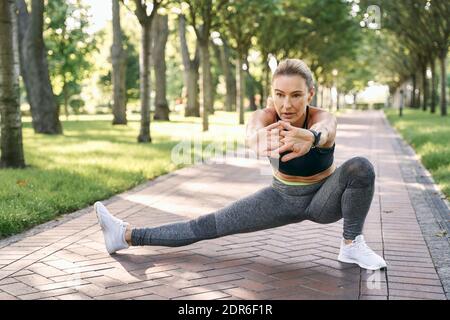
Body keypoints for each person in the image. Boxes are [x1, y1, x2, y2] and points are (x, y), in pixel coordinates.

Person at [94, 59, 387, 271]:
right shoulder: (266, 116)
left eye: (296, 95)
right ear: (272, 94)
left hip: (324, 198)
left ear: (310, 93)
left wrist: (311, 137)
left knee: (360, 166)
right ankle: (126, 234)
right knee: (204, 225)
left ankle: (351, 245)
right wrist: (256, 138)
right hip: (280, 198)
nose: (287, 104)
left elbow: (328, 131)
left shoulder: (320, 117)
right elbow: (252, 132)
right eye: (280, 94)